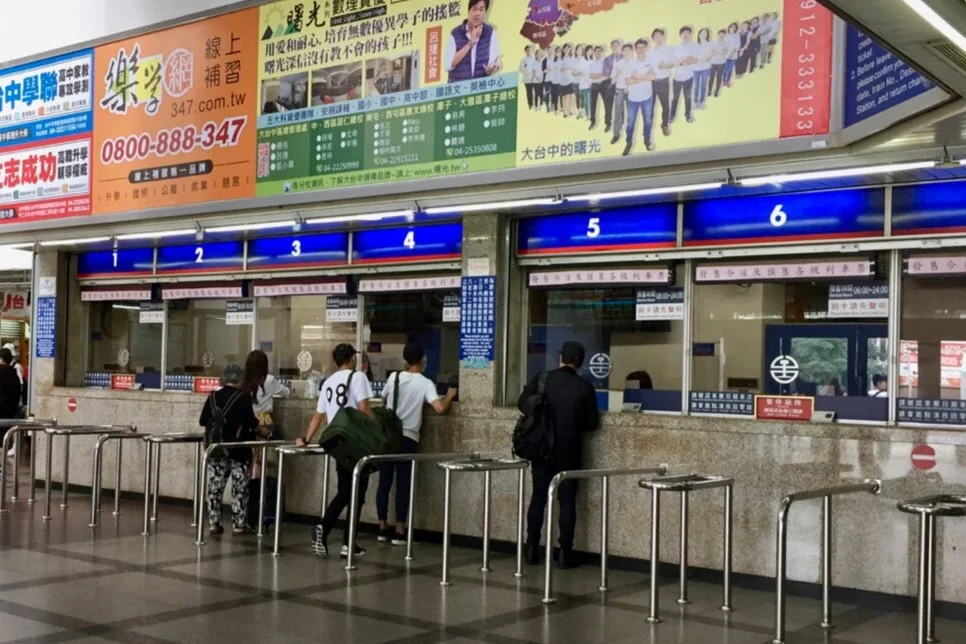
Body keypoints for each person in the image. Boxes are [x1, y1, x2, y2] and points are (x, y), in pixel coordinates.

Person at [520, 341, 600, 570]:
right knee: (567, 502)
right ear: (580, 362)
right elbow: (591, 423)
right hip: (570, 451)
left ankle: (532, 548)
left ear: (561, 358)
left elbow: (522, 404)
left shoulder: (543, 379)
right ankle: (564, 553)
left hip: (542, 448)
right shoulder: (584, 388)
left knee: (538, 498)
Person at [297, 343, 374, 559]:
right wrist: (377, 430)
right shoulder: (358, 377)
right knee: (355, 492)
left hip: (336, 442)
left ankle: (349, 543)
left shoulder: (328, 381)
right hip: (355, 442)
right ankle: (324, 526)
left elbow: (318, 415)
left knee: (349, 491)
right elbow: (364, 409)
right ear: (351, 358)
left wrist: (306, 438)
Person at [375, 342, 457, 545]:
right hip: (408, 438)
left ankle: (382, 527)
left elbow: (382, 398)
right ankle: (400, 530)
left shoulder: (394, 377)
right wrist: (450, 396)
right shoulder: (425, 383)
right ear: (422, 360)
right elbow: (439, 408)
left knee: (384, 482)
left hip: (388, 437)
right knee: (403, 483)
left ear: (405, 360)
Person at [199, 363, 259, 535]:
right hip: (238, 449)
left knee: (215, 487)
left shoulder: (212, 397)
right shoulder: (243, 397)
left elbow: (203, 421)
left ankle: (214, 522)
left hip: (216, 449)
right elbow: (251, 422)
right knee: (239, 487)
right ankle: (239, 524)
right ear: (239, 379)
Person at [445, 0, 502, 83]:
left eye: (481, 10)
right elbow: (448, 65)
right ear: (469, 11)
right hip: (458, 90)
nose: (477, 13)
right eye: (474, 9)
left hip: (480, 89)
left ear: (485, 12)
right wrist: (470, 43)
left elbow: (495, 62)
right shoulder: (456, 33)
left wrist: (491, 68)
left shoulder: (490, 32)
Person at [624, 37, 656, 156]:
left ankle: (647, 140)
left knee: (647, 121)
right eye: (638, 47)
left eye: (643, 47)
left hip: (647, 97)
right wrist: (644, 77)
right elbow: (628, 81)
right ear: (635, 50)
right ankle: (629, 143)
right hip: (633, 99)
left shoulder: (650, 61)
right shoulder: (631, 62)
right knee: (630, 122)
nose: (640, 49)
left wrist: (637, 76)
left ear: (646, 48)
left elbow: (653, 77)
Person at [647, 28, 675, 137]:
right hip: (652, 82)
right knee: (650, 106)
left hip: (663, 81)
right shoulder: (649, 53)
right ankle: (648, 127)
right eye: (655, 36)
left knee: (665, 105)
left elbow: (672, 63)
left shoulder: (668, 50)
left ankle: (664, 125)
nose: (658, 38)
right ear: (653, 39)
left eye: (660, 36)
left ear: (663, 37)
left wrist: (664, 66)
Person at [670, 26, 698, 124]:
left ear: (690, 35)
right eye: (684, 34)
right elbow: (674, 62)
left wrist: (684, 60)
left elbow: (695, 59)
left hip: (688, 77)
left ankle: (688, 115)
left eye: (688, 34)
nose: (686, 35)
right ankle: (672, 115)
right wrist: (685, 60)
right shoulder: (675, 48)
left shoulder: (693, 47)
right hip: (677, 78)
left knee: (688, 97)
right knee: (675, 98)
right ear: (680, 35)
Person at [609, 43, 634, 146]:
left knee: (631, 115)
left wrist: (630, 87)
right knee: (617, 114)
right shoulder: (618, 64)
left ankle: (629, 136)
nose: (627, 52)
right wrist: (617, 74)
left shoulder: (636, 63)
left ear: (632, 52)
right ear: (622, 52)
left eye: (629, 50)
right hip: (619, 91)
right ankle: (616, 134)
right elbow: (612, 82)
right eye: (625, 50)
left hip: (631, 91)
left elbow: (638, 79)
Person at [601, 39, 622, 133]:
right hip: (609, 83)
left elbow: (624, 70)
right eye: (613, 45)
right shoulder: (607, 58)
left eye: (617, 45)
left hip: (620, 83)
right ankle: (608, 123)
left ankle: (620, 124)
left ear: (620, 46)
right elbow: (605, 71)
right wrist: (615, 71)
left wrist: (614, 70)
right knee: (608, 105)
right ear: (611, 47)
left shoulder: (623, 57)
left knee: (620, 105)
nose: (615, 47)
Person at [693, 28, 714, 110]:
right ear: (699, 34)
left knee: (703, 85)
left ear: (707, 35)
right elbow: (692, 55)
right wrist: (698, 60)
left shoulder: (709, 44)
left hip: (706, 68)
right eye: (702, 33)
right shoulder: (694, 44)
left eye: (705, 33)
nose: (703, 35)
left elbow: (710, 55)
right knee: (696, 86)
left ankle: (701, 102)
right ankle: (695, 101)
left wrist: (702, 59)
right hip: (695, 68)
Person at [587, 46, 606, 130]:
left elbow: (606, 74)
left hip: (603, 85)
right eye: (596, 51)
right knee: (592, 104)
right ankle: (593, 121)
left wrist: (597, 75)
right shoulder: (591, 63)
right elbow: (590, 75)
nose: (598, 53)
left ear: (602, 52)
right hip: (594, 85)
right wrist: (600, 74)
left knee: (607, 104)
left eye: (600, 51)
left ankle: (607, 123)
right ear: (594, 53)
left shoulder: (605, 62)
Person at [520, 45, 539, 110]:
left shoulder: (535, 58)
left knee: (536, 91)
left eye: (530, 50)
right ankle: (530, 105)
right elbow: (520, 69)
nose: (529, 51)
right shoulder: (523, 60)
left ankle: (537, 104)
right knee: (529, 92)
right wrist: (525, 69)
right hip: (527, 79)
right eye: (527, 50)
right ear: (525, 51)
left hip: (535, 78)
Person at [724, 23, 740, 88]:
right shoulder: (726, 36)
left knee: (730, 70)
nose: (732, 28)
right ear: (729, 27)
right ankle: (723, 81)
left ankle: (727, 81)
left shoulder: (737, 36)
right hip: (726, 56)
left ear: (736, 28)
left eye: (734, 27)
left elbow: (738, 45)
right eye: (731, 27)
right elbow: (724, 46)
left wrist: (731, 53)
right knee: (725, 69)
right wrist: (727, 53)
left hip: (733, 56)